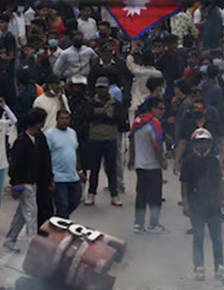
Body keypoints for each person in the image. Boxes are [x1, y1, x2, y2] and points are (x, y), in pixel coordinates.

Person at [180, 128, 224, 281]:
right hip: (196, 205)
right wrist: (185, 203)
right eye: (199, 142)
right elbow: (185, 184)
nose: (202, 145)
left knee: (217, 238)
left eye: (205, 142)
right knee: (198, 238)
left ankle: (219, 266)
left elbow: (219, 182)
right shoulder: (188, 161)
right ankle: (199, 267)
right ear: (194, 144)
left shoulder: (214, 160)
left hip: (213, 205)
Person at [4, 108, 52, 251]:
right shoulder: (22, 142)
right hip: (24, 183)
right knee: (31, 213)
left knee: (22, 214)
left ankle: (9, 239)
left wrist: (49, 179)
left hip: (34, 182)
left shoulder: (39, 138)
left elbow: (46, 160)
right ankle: (33, 245)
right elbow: (14, 167)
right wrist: (15, 187)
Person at [129, 97, 167, 234]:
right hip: (153, 166)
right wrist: (162, 160)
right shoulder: (155, 123)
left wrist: (131, 158)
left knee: (141, 195)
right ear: (152, 108)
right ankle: (154, 224)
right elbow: (156, 145)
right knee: (155, 196)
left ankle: (138, 224)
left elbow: (132, 140)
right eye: (160, 108)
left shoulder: (137, 122)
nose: (162, 111)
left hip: (140, 165)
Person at [82, 76, 122, 207]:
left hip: (110, 139)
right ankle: (91, 194)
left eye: (104, 87)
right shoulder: (91, 102)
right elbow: (88, 117)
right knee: (94, 169)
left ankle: (114, 194)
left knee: (111, 169)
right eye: (99, 87)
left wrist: (100, 116)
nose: (101, 90)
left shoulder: (115, 103)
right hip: (95, 139)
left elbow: (117, 119)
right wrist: (105, 116)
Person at [45, 109, 83, 219]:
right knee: (63, 205)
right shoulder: (50, 134)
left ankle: (57, 219)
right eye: (62, 118)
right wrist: (49, 178)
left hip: (73, 176)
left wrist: (80, 171)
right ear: (57, 119)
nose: (65, 121)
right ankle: (62, 229)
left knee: (76, 200)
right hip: (58, 177)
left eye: (67, 118)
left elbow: (76, 151)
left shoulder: (72, 133)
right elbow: (46, 157)